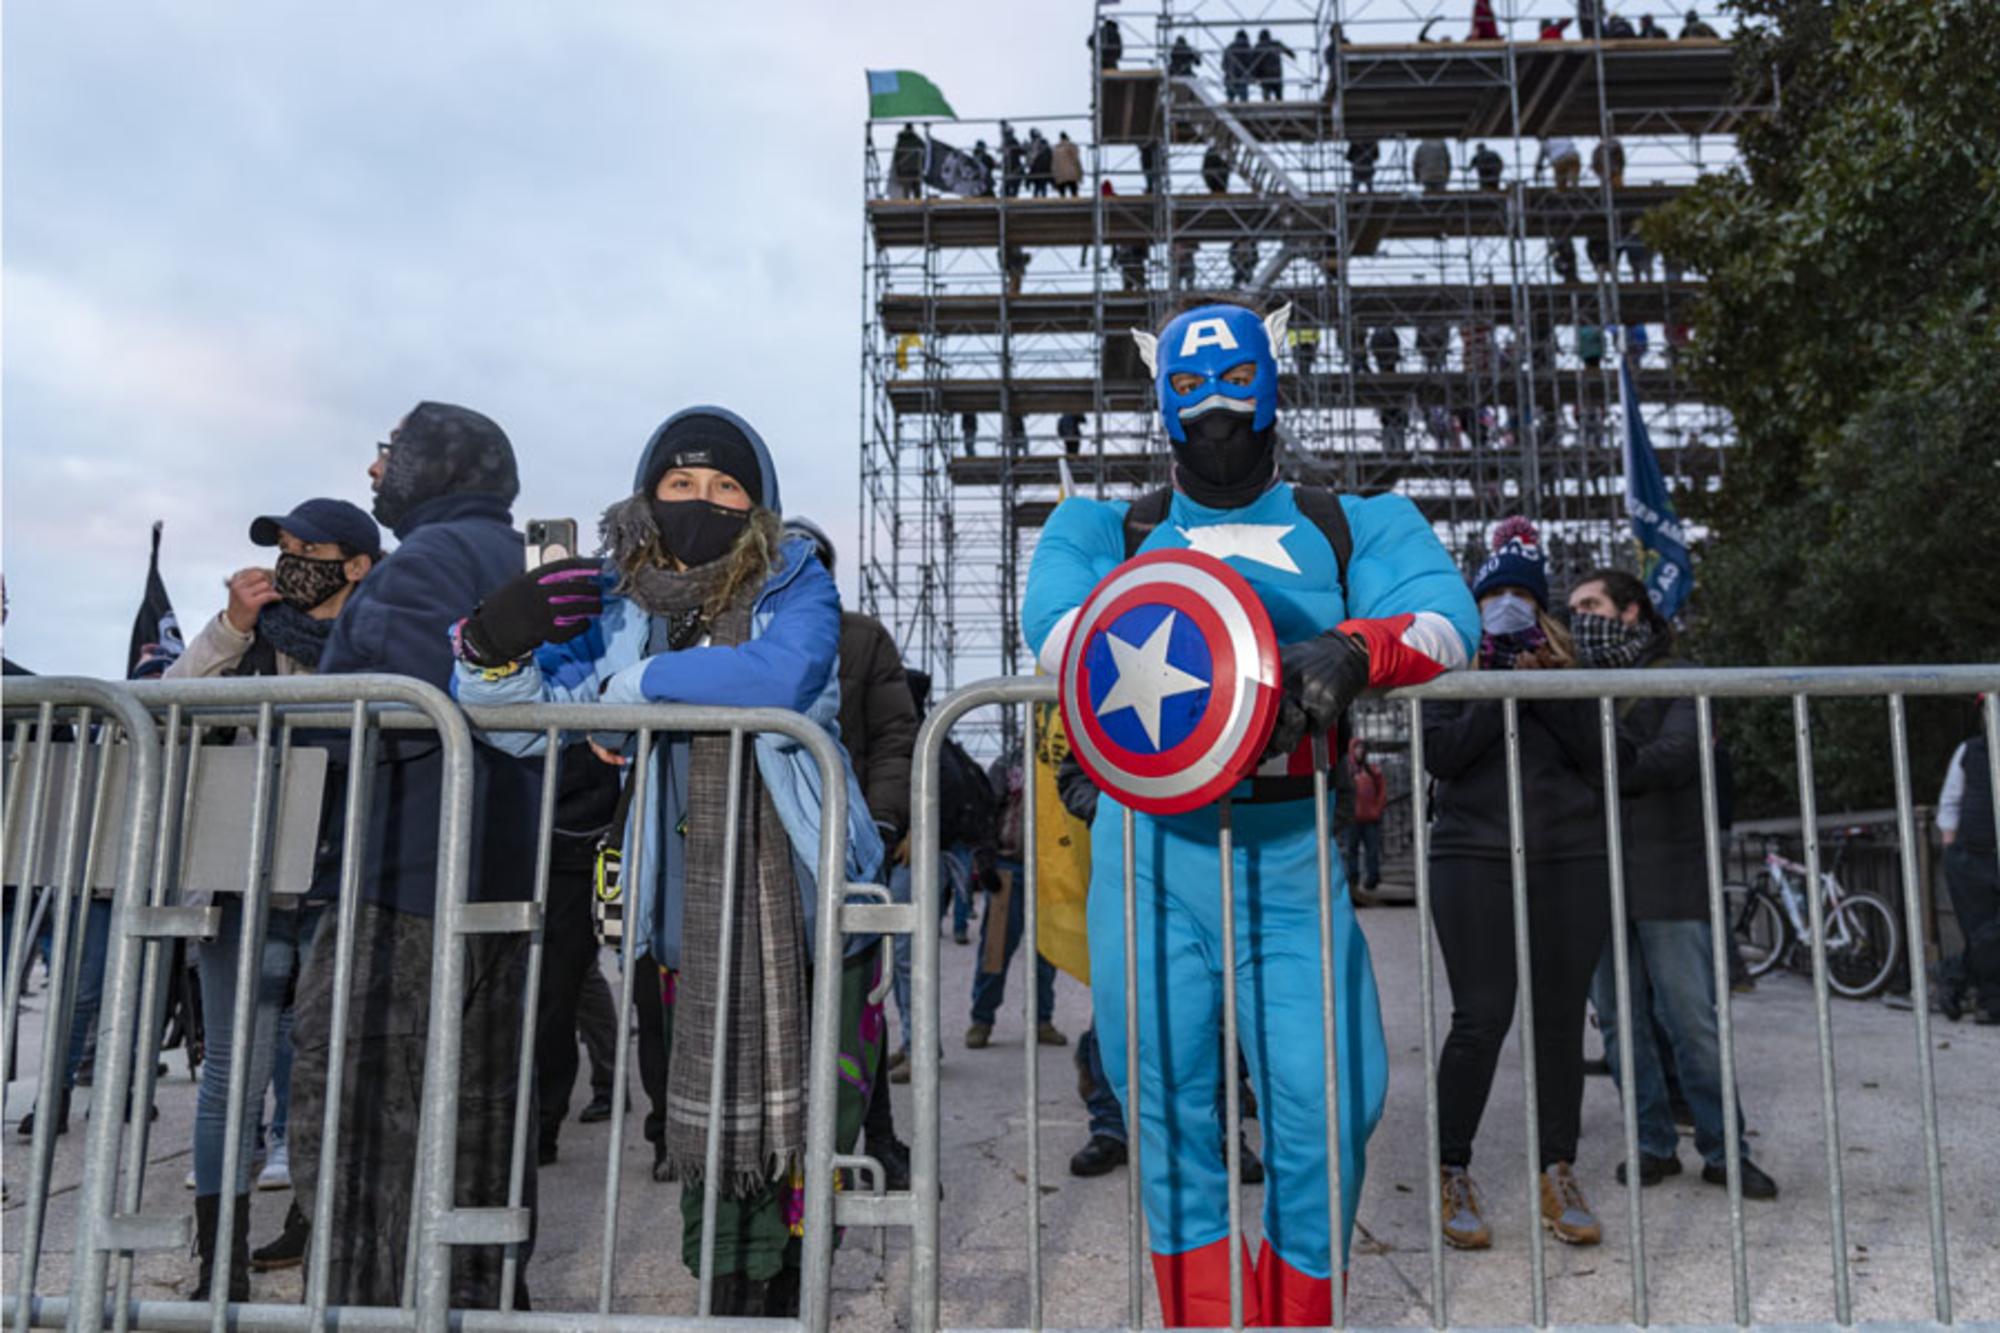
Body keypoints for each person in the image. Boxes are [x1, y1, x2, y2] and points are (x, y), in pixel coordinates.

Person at [1023, 301, 1477, 1325]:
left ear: (1273, 383)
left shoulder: (1351, 520)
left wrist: (1359, 649)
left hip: (1287, 849)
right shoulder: (1104, 525)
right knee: (1168, 1103)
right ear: (1160, 401)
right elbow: (1056, 631)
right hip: (1147, 851)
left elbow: (1444, 618)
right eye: (1192, 394)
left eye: (1240, 388)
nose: (1218, 414)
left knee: (1330, 1101)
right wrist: (1221, 663)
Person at [454, 406, 884, 1317]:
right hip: (681, 905)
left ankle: (796, 1293)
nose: (703, 501)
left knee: (820, 1120)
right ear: (647, 494)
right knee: (704, 1112)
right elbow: (516, 721)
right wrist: (492, 644)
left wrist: (636, 687)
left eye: (727, 486)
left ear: (759, 504)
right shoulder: (614, 599)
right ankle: (727, 1285)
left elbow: (780, 678)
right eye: (681, 483)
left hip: (813, 901)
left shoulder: (794, 579)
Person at [284, 403, 542, 1310]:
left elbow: (382, 713)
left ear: (434, 465)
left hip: (403, 886)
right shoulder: (510, 558)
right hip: (500, 883)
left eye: (389, 452)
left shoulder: (422, 564)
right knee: (479, 1128)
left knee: (359, 1127)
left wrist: (311, 710)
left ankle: (366, 1308)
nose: (373, 470)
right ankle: (475, 1304)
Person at [163, 498, 380, 1299]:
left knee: (329, 1069)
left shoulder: (379, 636)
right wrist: (229, 627)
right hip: (246, 877)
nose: (290, 559)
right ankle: (219, 1258)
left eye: (307, 546)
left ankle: (322, 1232)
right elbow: (160, 706)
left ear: (356, 564)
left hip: (340, 881)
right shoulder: (249, 636)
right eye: (281, 545)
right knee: (232, 1074)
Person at [1425, 518, 1611, 1252]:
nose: (1508, 603)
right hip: (1473, 852)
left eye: (1519, 594)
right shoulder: (1453, 669)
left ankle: (1557, 1168)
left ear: (1542, 606)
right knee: (1482, 1015)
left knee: (1561, 1019)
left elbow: (1605, 757)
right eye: (1495, 592)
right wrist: (1500, 689)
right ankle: (1452, 1167)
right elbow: (1442, 751)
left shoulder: (1571, 672)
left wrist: (1543, 688)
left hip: (1568, 854)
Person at [1569, 569, 1782, 1199]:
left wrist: (1601, 763)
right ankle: (1652, 1144)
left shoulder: (1679, 677)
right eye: (1574, 607)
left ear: (1630, 611)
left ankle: (1725, 1149)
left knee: (1691, 1020)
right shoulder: (1574, 684)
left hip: (1669, 875)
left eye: (1592, 604)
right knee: (1618, 1023)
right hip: (1600, 876)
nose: (1581, 616)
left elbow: (1677, 754)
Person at [783, 516, 921, 1192]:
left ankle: (881, 1139)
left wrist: (887, 816)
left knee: (859, 1002)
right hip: (770, 848)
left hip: (850, 849)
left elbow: (897, 732)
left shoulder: (862, 637)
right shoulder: (752, 636)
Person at [966, 758, 1066, 1049]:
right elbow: (985, 812)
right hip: (1008, 867)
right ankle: (981, 1020)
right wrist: (985, 860)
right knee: (995, 949)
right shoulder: (1007, 764)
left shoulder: (1056, 759)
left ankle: (1041, 1020)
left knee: (1047, 952)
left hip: (1049, 870)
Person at [1936, 713, 2000, 1024]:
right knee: (1981, 931)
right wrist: (1951, 849)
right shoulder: (1970, 751)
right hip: (1972, 857)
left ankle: (1954, 974)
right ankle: (1991, 1004)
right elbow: (1950, 800)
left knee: (1988, 935)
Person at [1344, 740, 1385, 896]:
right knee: (1351, 851)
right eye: (1357, 748)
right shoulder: (1348, 772)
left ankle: (1372, 879)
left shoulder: (1372, 770)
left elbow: (1382, 791)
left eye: (1362, 748)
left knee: (1372, 851)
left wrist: (1377, 809)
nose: (1360, 751)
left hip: (1370, 818)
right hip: (1352, 819)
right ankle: (1353, 879)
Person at [1252, 28, 1294, 100]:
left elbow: (1254, 64)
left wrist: (1254, 77)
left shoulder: (1258, 46)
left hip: (1265, 76)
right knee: (1279, 96)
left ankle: (1267, 109)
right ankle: (1280, 108)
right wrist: (1292, 55)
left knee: (1267, 99)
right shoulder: (1275, 44)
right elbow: (1288, 51)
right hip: (1277, 75)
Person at [890, 124, 924, 200]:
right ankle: (917, 204)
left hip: (905, 169)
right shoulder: (917, 140)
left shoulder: (901, 140)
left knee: (907, 193)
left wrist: (898, 171)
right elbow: (924, 150)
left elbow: (896, 156)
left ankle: (908, 204)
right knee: (917, 192)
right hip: (915, 168)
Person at [1222, 29, 1254, 102]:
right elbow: (1251, 64)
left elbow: (1223, 65)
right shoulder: (1247, 48)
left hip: (1230, 78)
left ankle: (1227, 112)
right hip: (1243, 78)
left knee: (1230, 101)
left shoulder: (1229, 47)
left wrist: (1229, 72)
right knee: (1244, 102)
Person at [1051, 131, 1083, 198]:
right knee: (1074, 193)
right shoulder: (1071, 146)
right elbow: (1076, 159)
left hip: (1060, 175)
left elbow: (1054, 164)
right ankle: (1075, 206)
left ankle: (1063, 207)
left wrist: (1054, 175)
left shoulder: (1056, 148)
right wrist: (1080, 173)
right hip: (1071, 174)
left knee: (1062, 195)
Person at [1000, 122, 1024, 197]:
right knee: (1008, 190)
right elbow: (1021, 151)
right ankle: (1010, 203)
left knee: (1007, 189)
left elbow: (1020, 151)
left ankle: (1010, 204)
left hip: (1013, 169)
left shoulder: (1009, 141)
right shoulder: (1010, 141)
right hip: (1012, 169)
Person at [1028, 129, 1054, 197]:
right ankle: (1041, 200)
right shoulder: (1044, 146)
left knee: (1039, 187)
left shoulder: (1034, 146)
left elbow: (1031, 159)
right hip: (1041, 170)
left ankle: (1037, 200)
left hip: (1038, 169)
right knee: (1040, 187)